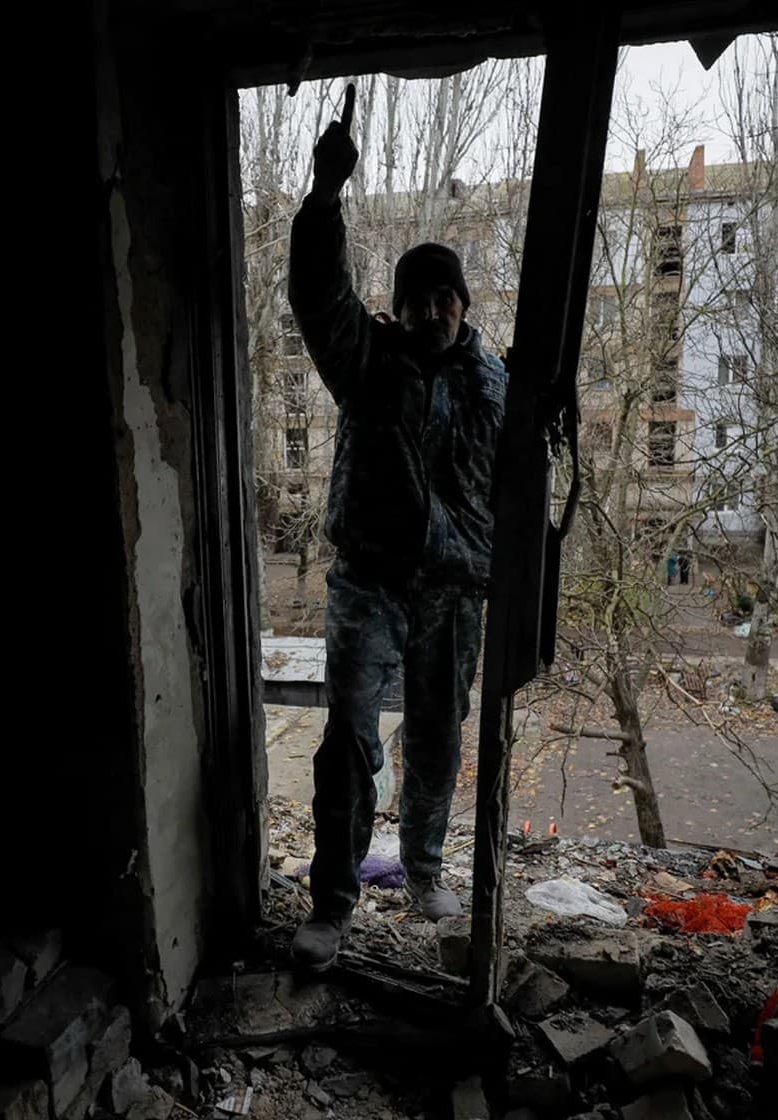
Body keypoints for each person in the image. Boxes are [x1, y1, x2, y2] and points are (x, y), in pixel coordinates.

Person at [285, 86, 507, 969]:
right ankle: (333, 903)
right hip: (370, 581)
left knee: (440, 738)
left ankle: (423, 871)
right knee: (349, 738)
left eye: (444, 297)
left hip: (453, 594)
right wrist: (325, 197)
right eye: (417, 297)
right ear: (402, 305)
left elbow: (518, 480)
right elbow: (316, 294)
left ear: (460, 301)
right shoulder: (367, 364)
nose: (432, 310)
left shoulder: (494, 381)